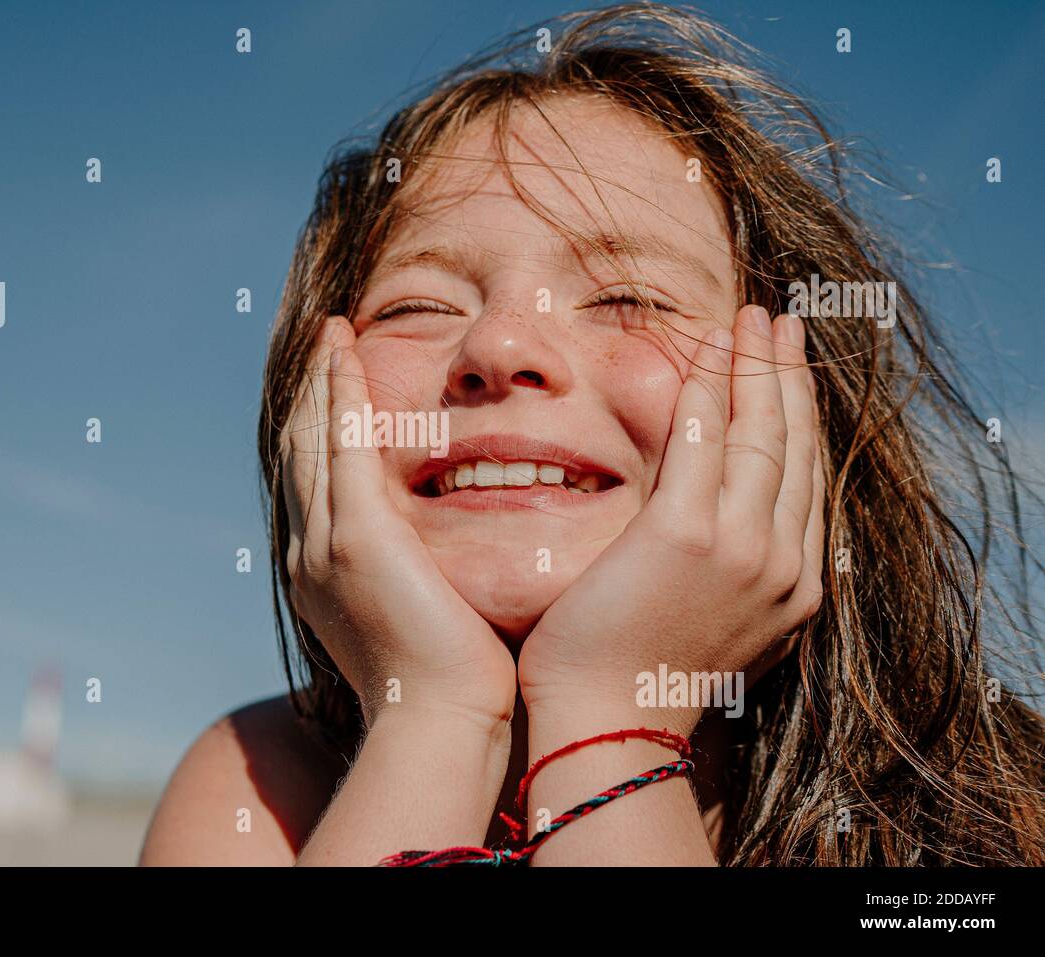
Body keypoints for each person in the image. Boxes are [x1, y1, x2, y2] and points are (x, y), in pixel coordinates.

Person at [141, 3, 1045, 866]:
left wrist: (611, 714)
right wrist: (433, 718)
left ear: (795, 400)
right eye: (418, 304)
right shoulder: (259, 788)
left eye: (629, 300)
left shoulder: (1002, 810)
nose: (496, 345)